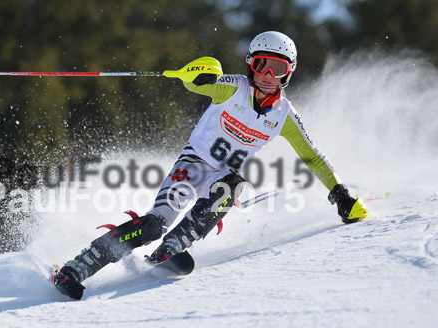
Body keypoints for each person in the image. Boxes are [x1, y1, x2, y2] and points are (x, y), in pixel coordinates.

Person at [51, 31, 367, 289]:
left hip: (221, 180)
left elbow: (312, 157)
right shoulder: (233, 89)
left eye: (278, 68)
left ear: (290, 72)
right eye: (262, 65)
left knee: (232, 186)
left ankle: (173, 245)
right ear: (250, 66)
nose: (269, 76)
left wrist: (340, 195)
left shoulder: (285, 116)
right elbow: (198, 81)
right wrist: (198, 76)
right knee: (151, 225)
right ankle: (78, 267)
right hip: (191, 166)